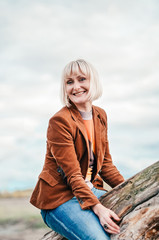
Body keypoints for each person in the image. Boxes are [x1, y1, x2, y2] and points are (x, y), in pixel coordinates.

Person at [30, 59, 124, 240]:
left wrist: (132, 188)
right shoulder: (59, 121)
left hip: (89, 190)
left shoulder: (100, 115)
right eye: (69, 82)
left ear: (93, 82)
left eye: (82, 79)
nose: (76, 87)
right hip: (60, 199)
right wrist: (98, 208)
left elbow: (106, 166)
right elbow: (73, 176)